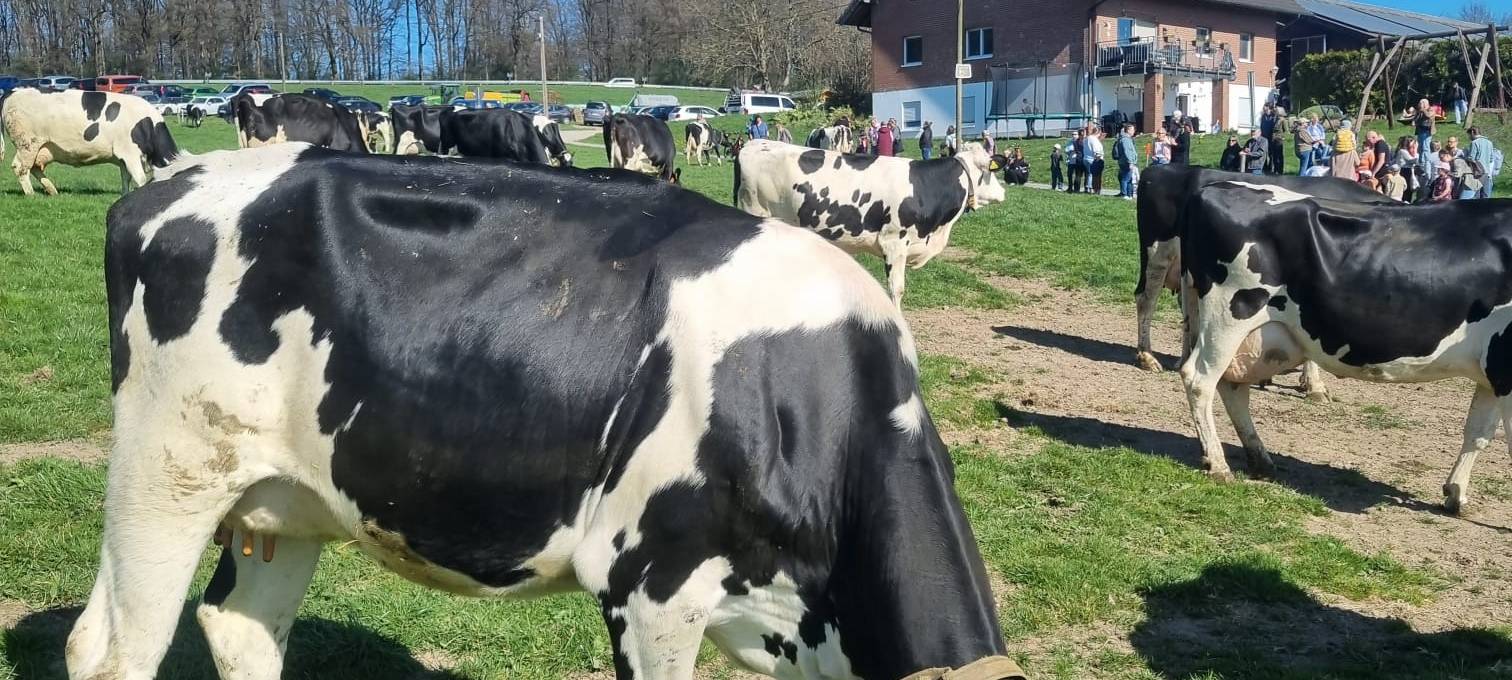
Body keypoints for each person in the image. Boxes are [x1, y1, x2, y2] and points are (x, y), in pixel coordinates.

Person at [1468, 127, 1496, 198]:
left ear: (1472, 133)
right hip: (1487, 172)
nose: (1469, 137)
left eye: (1469, 135)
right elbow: (1491, 158)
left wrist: (1465, 157)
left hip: (1477, 172)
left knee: (1476, 195)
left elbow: (1472, 158)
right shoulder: (1489, 142)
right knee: (1485, 195)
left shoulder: (1474, 143)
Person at [1114, 123, 1137, 199]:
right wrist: (1130, 162)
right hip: (1126, 162)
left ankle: (1129, 194)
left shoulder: (1126, 139)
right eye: (1133, 130)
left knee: (1129, 178)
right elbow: (1127, 151)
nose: (1134, 131)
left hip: (1125, 161)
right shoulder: (1125, 140)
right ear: (1128, 130)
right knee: (1126, 178)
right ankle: (1124, 194)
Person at [1393, 136, 1419, 202]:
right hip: (1404, 171)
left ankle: (1407, 201)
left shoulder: (1404, 151)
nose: (1413, 145)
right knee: (1406, 189)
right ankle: (1405, 202)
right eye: (1412, 143)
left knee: (1408, 190)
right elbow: (1413, 160)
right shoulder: (1403, 151)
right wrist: (1416, 149)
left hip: (1407, 170)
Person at [1412, 98, 1435, 163]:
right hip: (1420, 130)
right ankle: (1421, 161)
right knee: (1420, 147)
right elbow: (1415, 117)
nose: (1420, 105)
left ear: (1425, 104)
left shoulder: (1431, 109)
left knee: (1426, 147)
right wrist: (1414, 121)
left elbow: (1428, 116)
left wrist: (1424, 110)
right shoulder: (1419, 111)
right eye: (1420, 103)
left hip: (1427, 131)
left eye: (1421, 103)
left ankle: (1427, 161)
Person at [1267, 107, 1289, 174]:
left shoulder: (1283, 120)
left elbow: (1286, 130)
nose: (1274, 112)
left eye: (1275, 111)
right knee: (1274, 155)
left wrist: (1282, 137)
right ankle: (1275, 169)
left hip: (1279, 139)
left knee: (1279, 155)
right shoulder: (1274, 119)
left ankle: (1280, 170)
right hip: (1273, 139)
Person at [1084, 126, 1105, 194]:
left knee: (1088, 174)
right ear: (1098, 132)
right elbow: (1096, 151)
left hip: (1086, 158)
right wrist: (1098, 159)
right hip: (1094, 159)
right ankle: (1093, 189)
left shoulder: (1087, 138)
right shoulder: (1094, 139)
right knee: (1094, 175)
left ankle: (1088, 187)